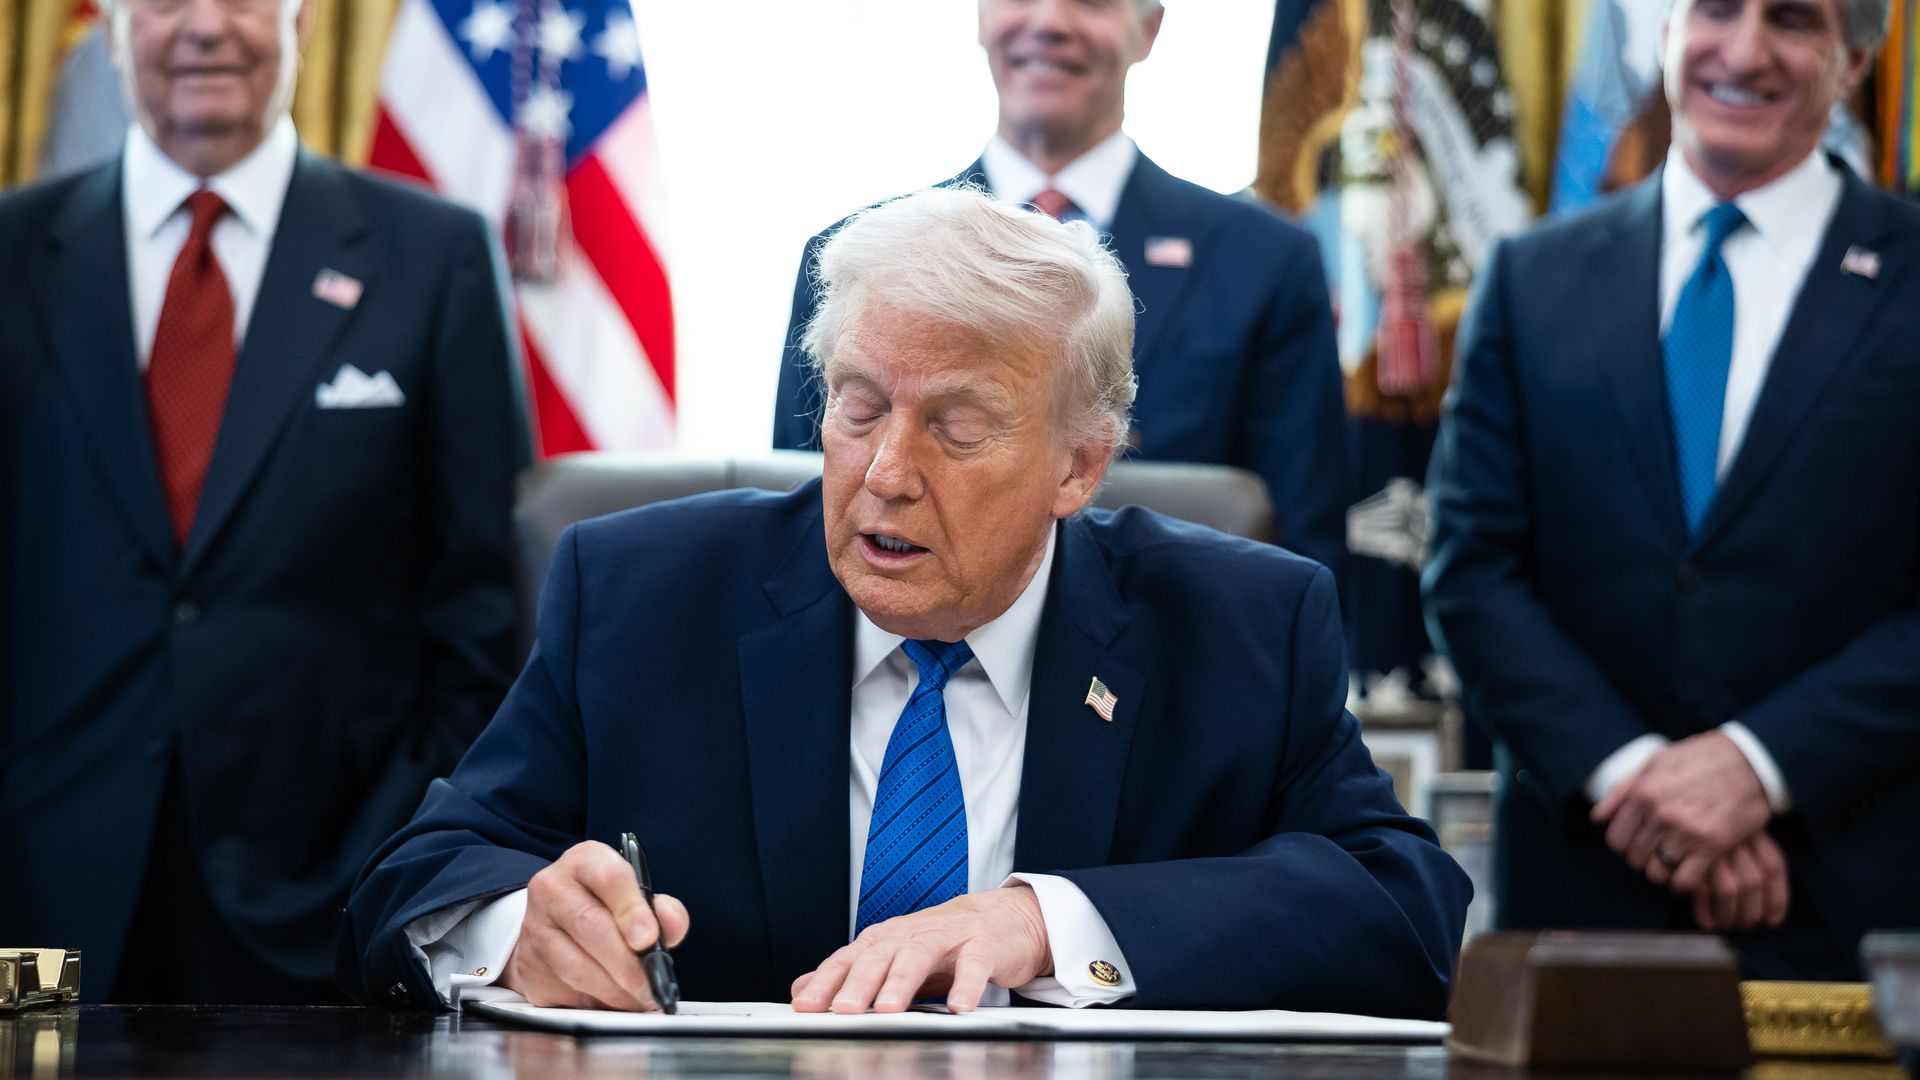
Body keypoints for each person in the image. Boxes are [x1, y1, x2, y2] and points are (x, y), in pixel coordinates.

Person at [341, 187, 1469, 1018]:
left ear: (1080, 467)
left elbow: (1406, 907)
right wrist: (515, 932)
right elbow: (418, 876)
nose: (886, 469)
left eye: (958, 428)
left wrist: (1048, 922)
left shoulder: (1241, 626)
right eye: (858, 406)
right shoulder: (640, 598)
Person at [0, 0, 526, 1003]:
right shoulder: (11, 254)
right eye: (163, 2)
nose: (206, 28)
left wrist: (415, 848)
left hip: (335, 901)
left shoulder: (434, 256)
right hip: (37, 902)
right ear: (109, 27)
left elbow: (480, 614)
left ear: (303, 23)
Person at [1423, 0, 1919, 978]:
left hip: (1854, 899)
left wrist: (1759, 765)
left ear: (1855, 60)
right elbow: (1472, 571)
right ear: (1663, 32)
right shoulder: (1531, 278)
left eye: (1791, 20)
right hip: (1581, 890)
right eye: (1716, 11)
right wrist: (1639, 781)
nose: (1744, 50)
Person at [770, 0, 1349, 581]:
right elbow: (804, 526)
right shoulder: (856, 259)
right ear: (980, 17)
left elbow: (1300, 553)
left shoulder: (1265, 261)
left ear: (1149, 29)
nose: (1048, 21)